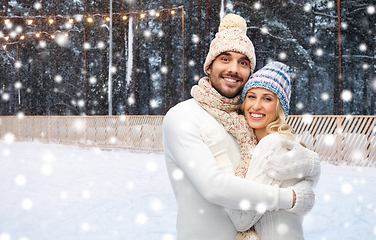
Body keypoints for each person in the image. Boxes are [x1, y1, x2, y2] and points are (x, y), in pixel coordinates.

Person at [163, 14, 320, 240]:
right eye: (225, 59)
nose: (234, 69)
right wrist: (291, 198)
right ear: (209, 66)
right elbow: (213, 186)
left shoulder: (247, 119)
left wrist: (311, 166)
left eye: (243, 62)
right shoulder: (183, 116)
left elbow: (276, 160)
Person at [198, 61, 321, 239]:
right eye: (251, 96)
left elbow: (242, 219)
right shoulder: (283, 142)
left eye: (267, 98)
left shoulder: (272, 144)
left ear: (280, 108)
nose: (256, 106)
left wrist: (220, 155)